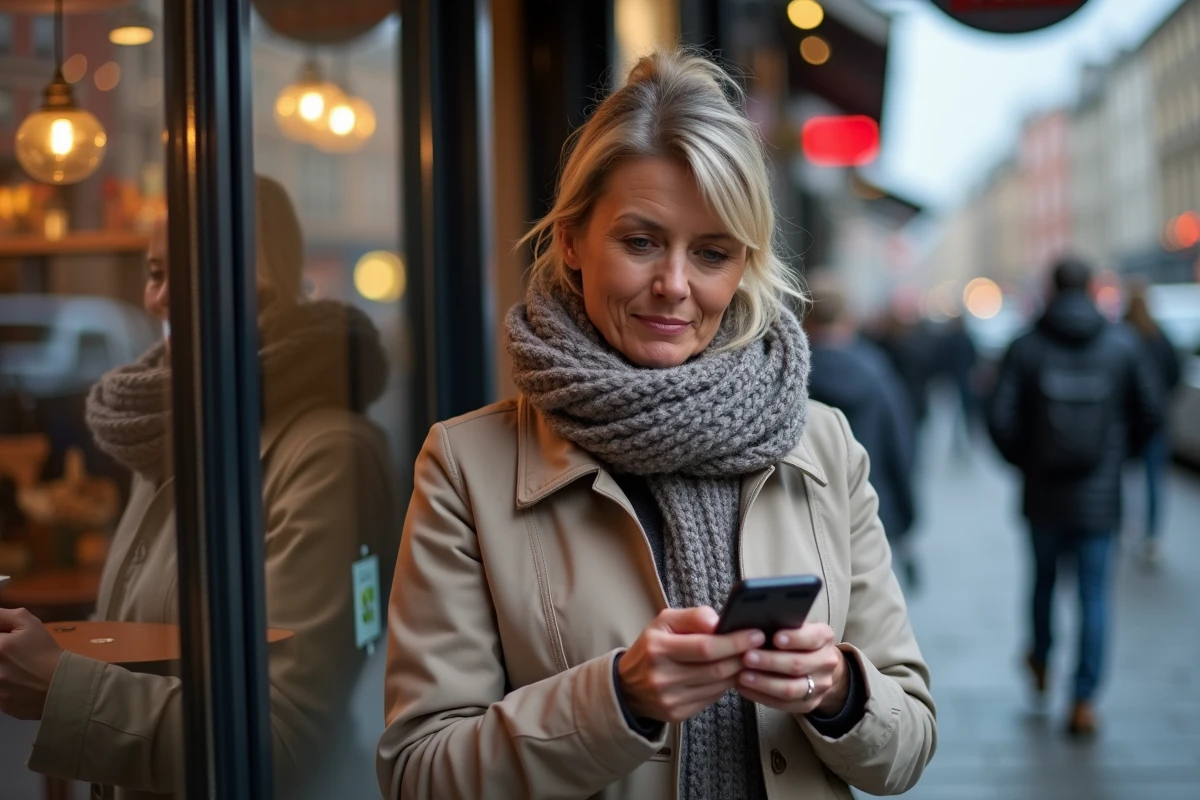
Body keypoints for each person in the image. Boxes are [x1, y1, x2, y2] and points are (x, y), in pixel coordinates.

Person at [377, 52, 936, 800]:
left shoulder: (823, 443)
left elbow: (908, 747)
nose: (674, 286)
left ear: (744, 265)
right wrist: (617, 699)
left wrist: (836, 689)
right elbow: (420, 773)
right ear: (573, 242)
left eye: (711, 253)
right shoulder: (466, 465)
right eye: (640, 242)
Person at [0, 176, 399, 799]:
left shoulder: (328, 455)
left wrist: (60, 686)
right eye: (149, 273)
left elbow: (281, 738)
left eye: (166, 273)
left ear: (247, 276)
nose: (153, 300)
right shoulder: (175, 427)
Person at [986, 256, 1162, 738]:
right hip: (1100, 498)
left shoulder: (1025, 346)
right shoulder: (1121, 345)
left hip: (1043, 495)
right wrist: (1117, 458)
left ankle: (1041, 661)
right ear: (1092, 288)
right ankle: (1084, 700)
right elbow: (1151, 412)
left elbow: (999, 418)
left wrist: (1026, 461)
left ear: (1051, 286)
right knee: (1093, 595)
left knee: (1043, 584)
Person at [803, 274, 919, 592]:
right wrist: (906, 515)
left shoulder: (788, 377)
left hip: (806, 516)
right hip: (872, 512)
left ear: (805, 319)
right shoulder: (877, 371)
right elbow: (900, 447)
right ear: (847, 319)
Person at [1123, 283, 1181, 563]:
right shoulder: (1159, 337)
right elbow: (1174, 374)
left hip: (1126, 421)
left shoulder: (1120, 336)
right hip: (1155, 421)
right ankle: (1151, 538)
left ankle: (1126, 529)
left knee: (1127, 479)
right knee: (1153, 481)